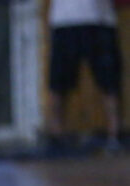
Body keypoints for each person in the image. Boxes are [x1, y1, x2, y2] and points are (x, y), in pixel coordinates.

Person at [47, 0, 124, 154]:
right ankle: (56, 136)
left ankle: (115, 135)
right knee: (59, 81)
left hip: (99, 19)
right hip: (65, 20)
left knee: (109, 80)